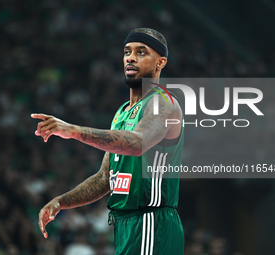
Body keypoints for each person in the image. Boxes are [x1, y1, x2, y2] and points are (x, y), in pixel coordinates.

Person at [31, 27, 184, 255]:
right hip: (125, 225)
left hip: (152, 221)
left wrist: (73, 130)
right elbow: (105, 178)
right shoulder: (122, 112)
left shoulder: (163, 103)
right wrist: (61, 202)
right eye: (127, 52)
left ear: (160, 63)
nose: (130, 58)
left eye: (141, 52)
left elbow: (137, 143)